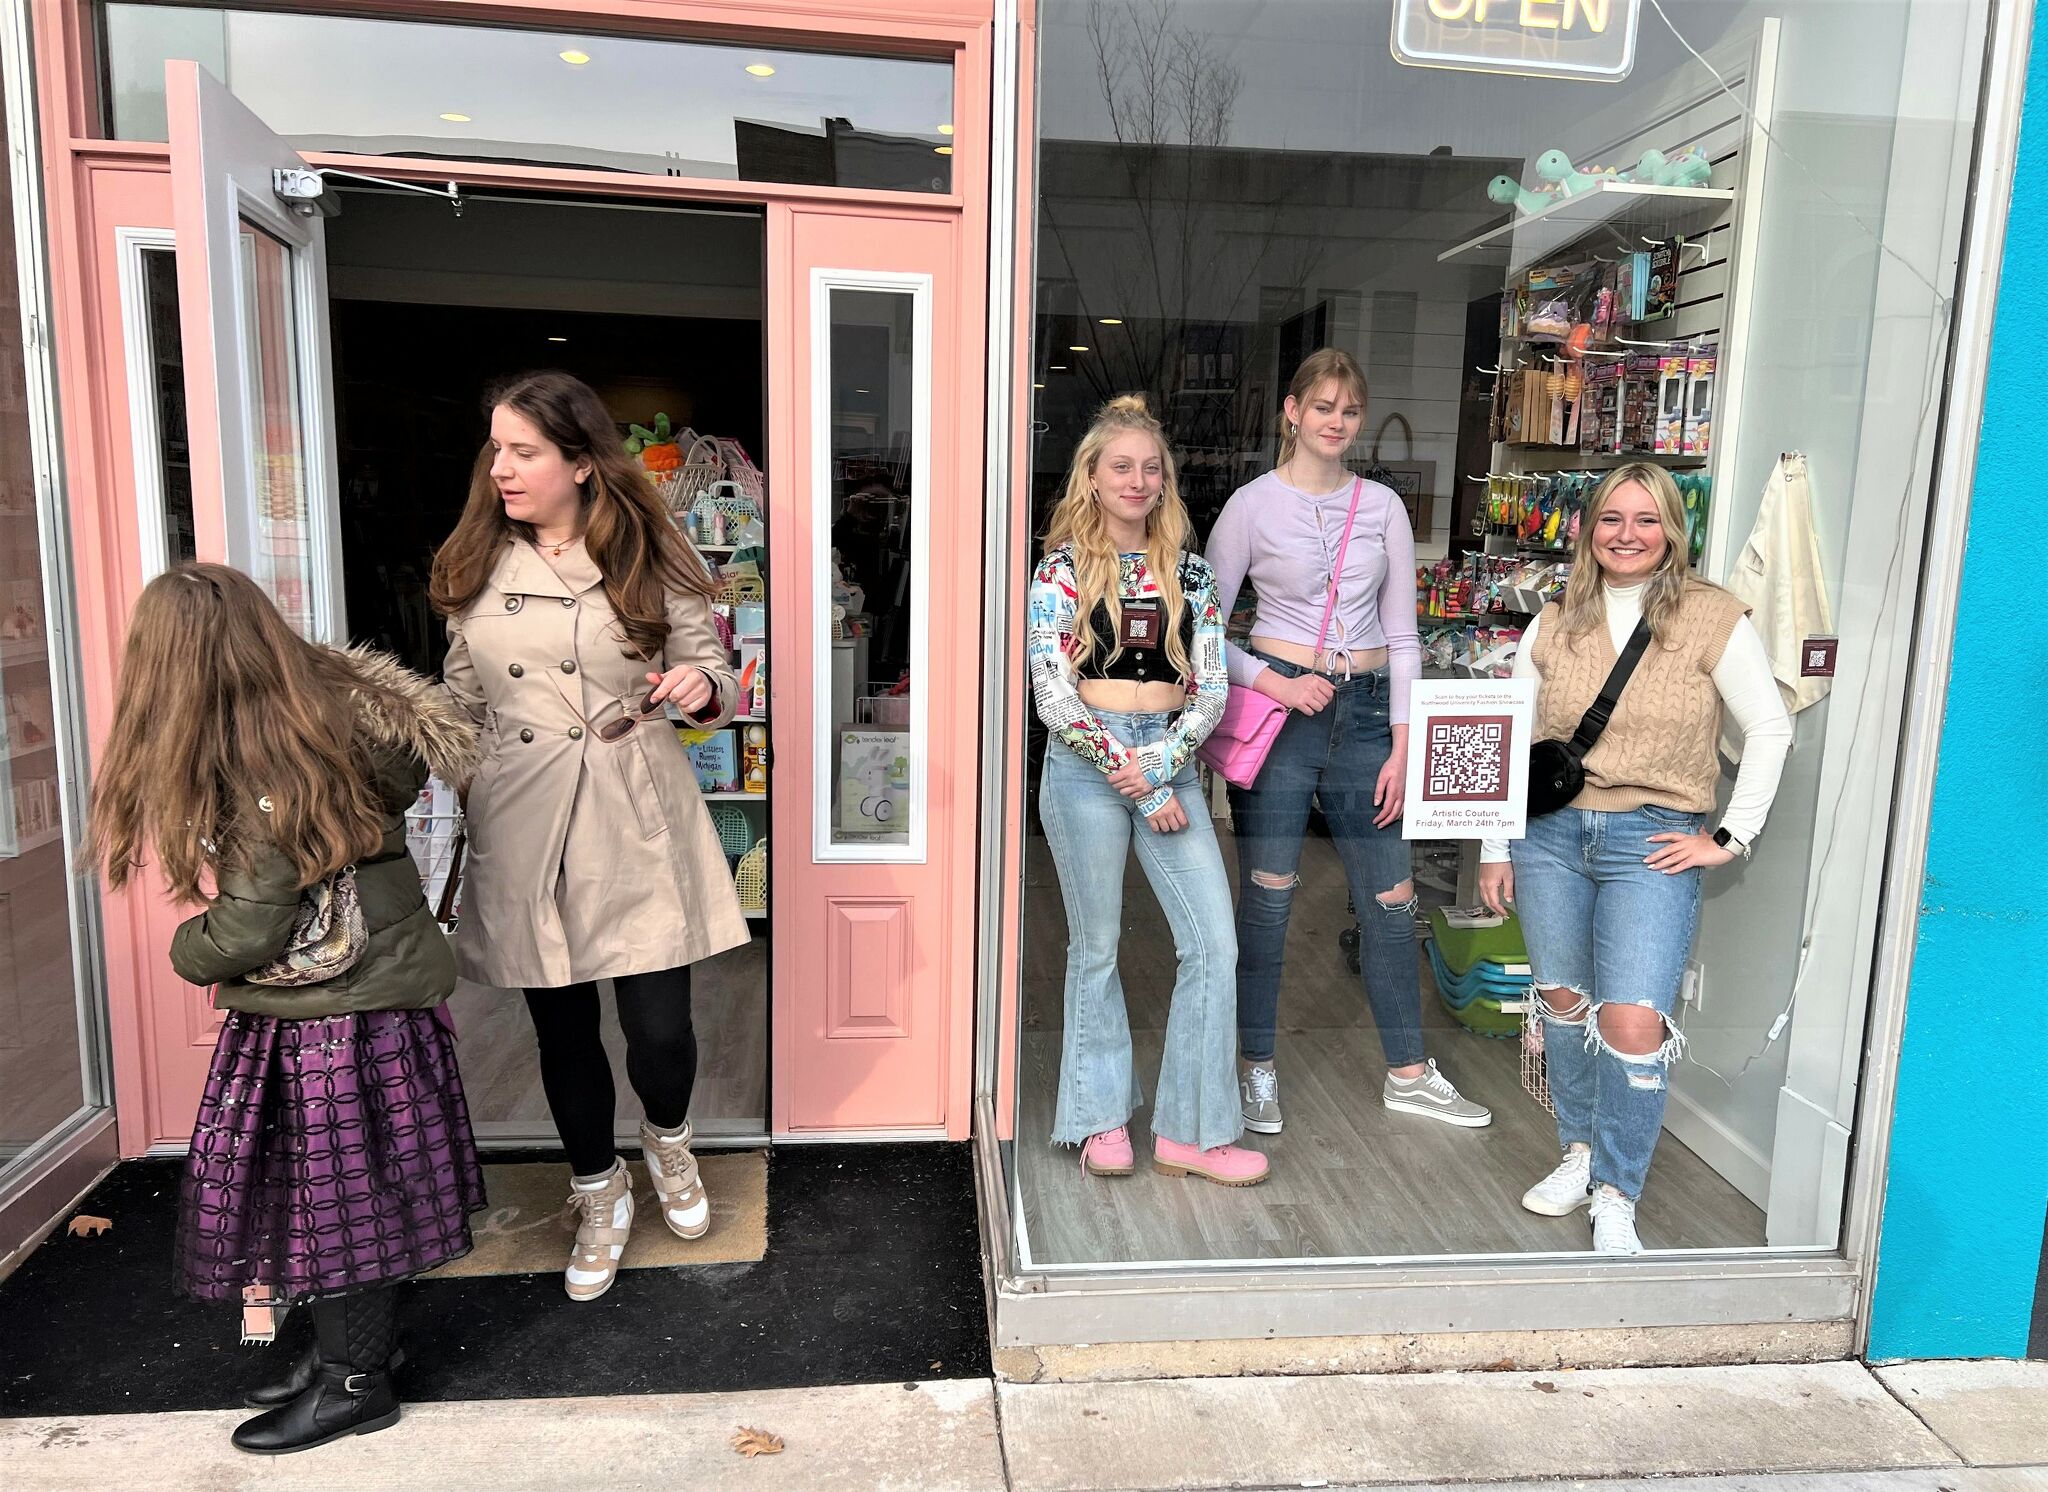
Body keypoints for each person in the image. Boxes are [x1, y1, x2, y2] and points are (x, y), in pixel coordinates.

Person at [88, 563, 485, 1455]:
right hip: (374, 1000)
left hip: (330, 1019)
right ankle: (354, 1354)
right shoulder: (327, 724)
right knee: (361, 1191)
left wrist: (186, 950)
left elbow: (247, 928)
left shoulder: (264, 766)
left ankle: (355, 1386)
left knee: (338, 1198)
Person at [430, 371, 748, 1301]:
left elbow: (711, 667)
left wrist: (702, 690)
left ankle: (669, 1143)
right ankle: (596, 1191)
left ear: (579, 460)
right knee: (560, 1029)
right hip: (523, 813)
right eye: (496, 449)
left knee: (659, 1029)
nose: (502, 468)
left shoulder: (649, 547)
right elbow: (457, 705)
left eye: (523, 451)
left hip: (631, 798)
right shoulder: (470, 562)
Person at [1477, 463, 1792, 1254]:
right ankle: (1578, 1153)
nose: (1626, 534)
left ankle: (1618, 1189)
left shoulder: (1712, 618)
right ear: (1586, 528)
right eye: (1611, 518)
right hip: (1548, 836)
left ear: (1672, 533)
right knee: (1562, 1004)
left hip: (1651, 839)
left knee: (1632, 1021)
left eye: (1646, 520)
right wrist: (1492, 845)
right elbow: (1506, 737)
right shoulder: (1554, 620)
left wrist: (1728, 837)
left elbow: (1770, 728)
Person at [1207, 349, 1491, 1135]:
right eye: (1322, 406)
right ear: (1291, 413)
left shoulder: (1384, 509)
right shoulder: (1250, 507)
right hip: (1283, 713)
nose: (1336, 421)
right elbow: (1201, 631)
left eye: (1350, 410)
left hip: (1368, 716)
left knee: (1392, 900)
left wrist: (1405, 746)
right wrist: (1274, 683)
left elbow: (1405, 639)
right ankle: (1254, 1067)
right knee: (1267, 902)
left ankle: (1408, 1071)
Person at [1029, 394, 1267, 1186]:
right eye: (1120, 467)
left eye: (1150, 469)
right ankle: (1099, 1120)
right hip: (1085, 769)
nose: (1137, 480)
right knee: (1094, 946)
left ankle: (1192, 1133)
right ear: (1091, 479)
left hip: (1168, 764)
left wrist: (1159, 768)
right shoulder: (1060, 571)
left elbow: (1211, 690)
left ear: (1165, 483)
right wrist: (1132, 778)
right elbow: (1053, 694)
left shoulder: (1191, 575)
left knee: (1214, 944)